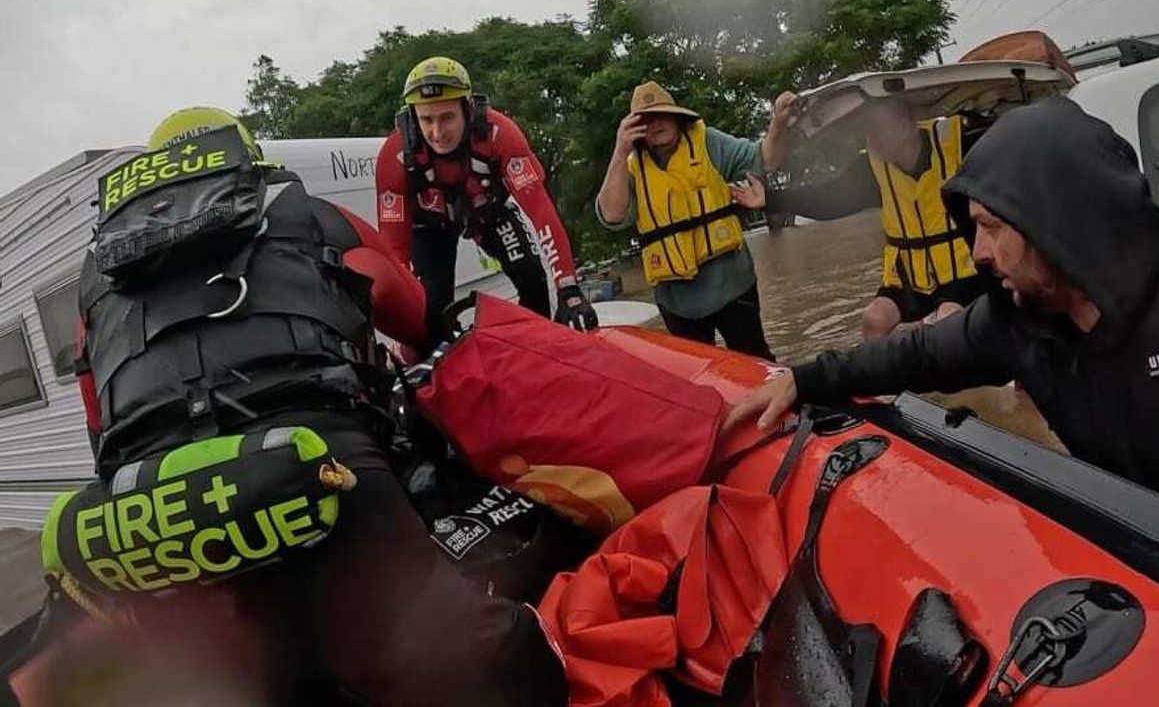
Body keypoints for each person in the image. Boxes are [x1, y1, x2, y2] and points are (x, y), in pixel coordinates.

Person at [71, 107, 568, 704]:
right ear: (246, 159)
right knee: (476, 655)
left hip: (155, 509)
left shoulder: (94, 277)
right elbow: (411, 311)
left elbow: (99, 426)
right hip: (316, 454)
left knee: (273, 680)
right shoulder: (300, 211)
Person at [727, 97, 1159, 506]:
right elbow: (915, 355)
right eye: (973, 228)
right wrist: (804, 378)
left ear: (1050, 219)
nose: (978, 252)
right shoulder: (1017, 321)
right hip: (1138, 546)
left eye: (991, 227)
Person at [376, 56, 596, 339]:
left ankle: (534, 350)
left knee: (533, 281)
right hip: (429, 227)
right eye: (426, 119)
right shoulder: (394, 155)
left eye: (447, 117)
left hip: (487, 212)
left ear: (467, 109)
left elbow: (541, 212)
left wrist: (569, 288)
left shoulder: (500, 133)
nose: (437, 132)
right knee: (430, 314)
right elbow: (393, 250)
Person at [731, 98, 987, 338]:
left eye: (880, 129)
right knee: (874, 319)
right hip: (910, 278)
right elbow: (827, 198)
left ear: (906, 125)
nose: (874, 140)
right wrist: (770, 199)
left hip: (966, 272)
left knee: (947, 320)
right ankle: (885, 371)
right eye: (869, 131)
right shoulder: (872, 168)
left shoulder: (961, 146)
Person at [595, 81, 798, 359]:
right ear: (636, 129)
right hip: (676, 299)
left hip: (732, 284)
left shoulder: (708, 142)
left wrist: (778, 123)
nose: (656, 123)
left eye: (662, 115)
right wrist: (620, 151)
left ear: (677, 117)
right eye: (646, 120)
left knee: (757, 361)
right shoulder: (630, 166)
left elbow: (765, 159)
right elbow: (612, 215)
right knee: (701, 371)